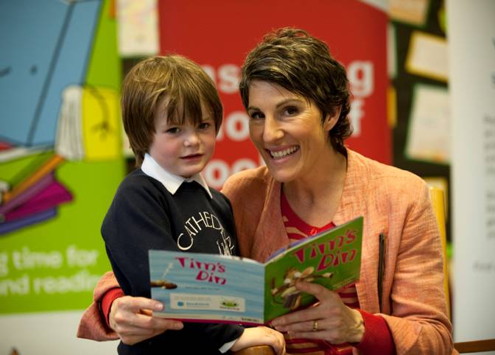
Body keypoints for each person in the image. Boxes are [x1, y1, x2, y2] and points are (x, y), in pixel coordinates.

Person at [78, 28, 456, 354]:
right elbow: (155, 267)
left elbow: (434, 339)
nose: (269, 134)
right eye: (257, 115)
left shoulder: (402, 195)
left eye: (289, 111)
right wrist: (114, 305)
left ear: (332, 113)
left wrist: (357, 326)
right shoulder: (241, 194)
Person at [82, 54, 285, 355]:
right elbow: (167, 288)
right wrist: (231, 337)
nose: (193, 140)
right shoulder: (137, 197)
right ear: (142, 133)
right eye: (175, 130)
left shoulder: (217, 201)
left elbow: (231, 288)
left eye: (203, 125)